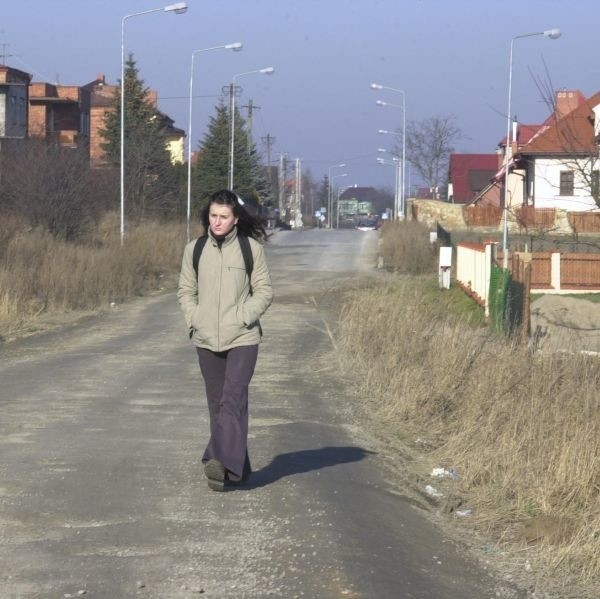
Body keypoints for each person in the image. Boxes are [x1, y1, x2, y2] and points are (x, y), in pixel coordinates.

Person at [177, 189, 273, 491]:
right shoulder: (195, 249)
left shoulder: (250, 249)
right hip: (206, 339)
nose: (216, 221)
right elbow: (185, 291)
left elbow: (265, 292)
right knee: (217, 406)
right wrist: (195, 320)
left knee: (232, 400)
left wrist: (243, 316)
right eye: (213, 215)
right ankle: (237, 468)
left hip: (242, 337)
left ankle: (215, 459)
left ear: (235, 220)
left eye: (223, 217)